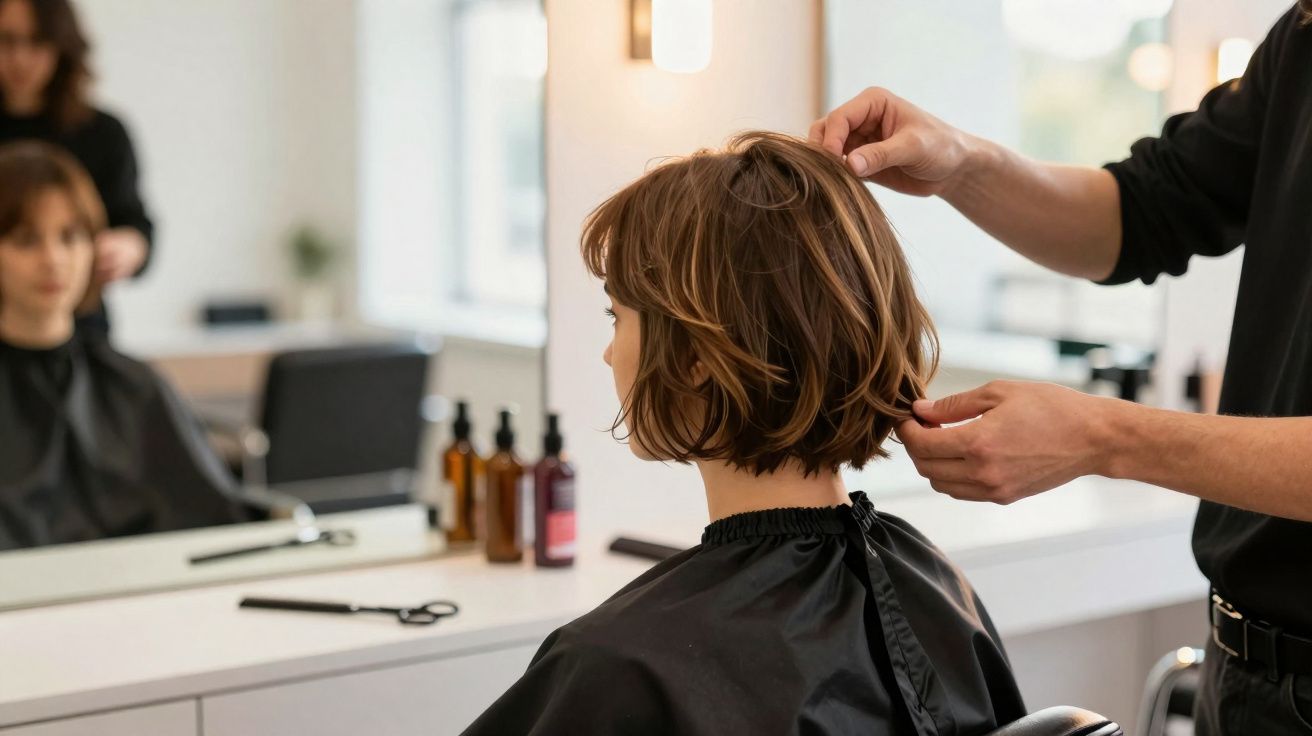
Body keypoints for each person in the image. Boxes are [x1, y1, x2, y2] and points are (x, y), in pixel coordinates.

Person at [810, 3, 1312, 734]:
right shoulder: (1303, 36)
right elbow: (1142, 210)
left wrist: (1105, 437)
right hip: (1239, 669)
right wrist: (961, 163)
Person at [463, 132, 1026, 735]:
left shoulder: (616, 665)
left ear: (696, 355)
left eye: (616, 317)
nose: (608, 353)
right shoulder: (936, 588)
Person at [0, 141, 242, 550]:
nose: (53, 259)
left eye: (71, 237)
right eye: (26, 240)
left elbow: (216, 518)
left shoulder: (134, 384)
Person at [0, 0, 153, 332]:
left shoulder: (102, 133)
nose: (20, 58)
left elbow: (133, 223)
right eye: (6, 41)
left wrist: (128, 246)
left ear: (61, 45)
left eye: (37, 41)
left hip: (81, 330)